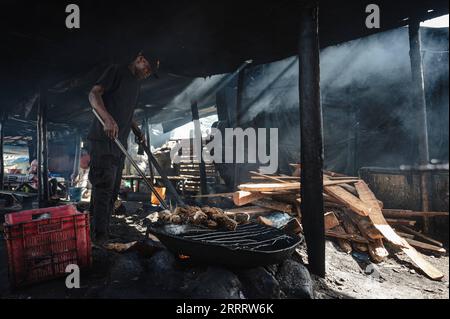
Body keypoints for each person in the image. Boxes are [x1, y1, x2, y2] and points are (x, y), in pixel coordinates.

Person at [87, 51, 157, 243]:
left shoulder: (135, 84)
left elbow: (125, 112)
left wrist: (136, 130)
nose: (147, 74)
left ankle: (101, 231)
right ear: (140, 59)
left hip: (119, 144)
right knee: (103, 188)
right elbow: (93, 95)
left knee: (112, 192)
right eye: (148, 69)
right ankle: (98, 237)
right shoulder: (117, 71)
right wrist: (107, 119)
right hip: (103, 141)